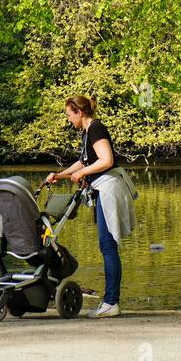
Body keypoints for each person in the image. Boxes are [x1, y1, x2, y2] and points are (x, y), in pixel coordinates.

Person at [45, 95, 136, 319]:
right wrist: (60, 175)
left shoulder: (96, 128)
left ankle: (111, 302)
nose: (68, 120)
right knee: (106, 245)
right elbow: (84, 161)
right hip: (101, 188)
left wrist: (81, 173)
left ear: (80, 113)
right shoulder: (87, 132)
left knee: (108, 245)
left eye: (69, 115)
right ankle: (110, 301)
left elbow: (106, 160)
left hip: (109, 188)